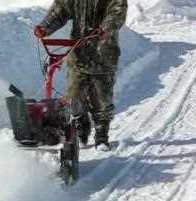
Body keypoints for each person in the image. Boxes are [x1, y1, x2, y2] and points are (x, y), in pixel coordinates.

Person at [34, 0, 127, 148]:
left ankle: (101, 134)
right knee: (74, 95)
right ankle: (80, 122)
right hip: (78, 54)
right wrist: (44, 27)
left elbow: (117, 14)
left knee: (102, 98)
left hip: (104, 56)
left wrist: (105, 28)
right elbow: (61, 9)